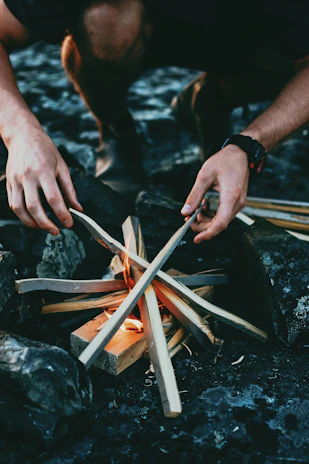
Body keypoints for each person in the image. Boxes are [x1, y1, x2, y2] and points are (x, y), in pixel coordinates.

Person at [1, 0, 309, 243]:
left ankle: (211, 100)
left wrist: (250, 143)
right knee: (103, 17)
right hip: (142, 30)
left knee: (295, 56)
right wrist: (19, 131)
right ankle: (115, 129)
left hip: (248, 42)